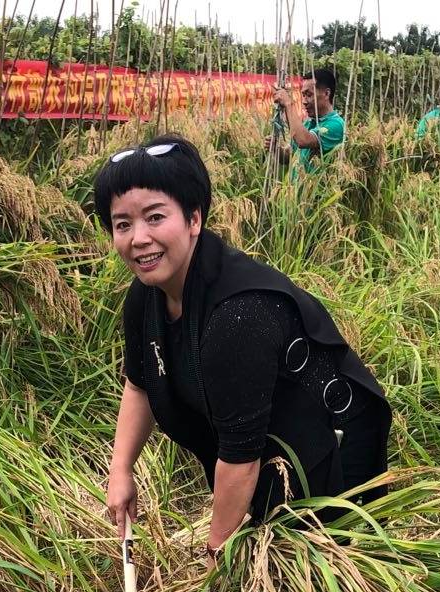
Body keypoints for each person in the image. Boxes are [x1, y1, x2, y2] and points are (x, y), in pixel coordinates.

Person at [95, 136, 392, 562]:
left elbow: (240, 458)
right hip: (263, 454)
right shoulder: (147, 297)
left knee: (308, 583)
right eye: (122, 224)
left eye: (155, 217)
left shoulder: (239, 314)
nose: (137, 238)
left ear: (194, 218)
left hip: (332, 452)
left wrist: (217, 557)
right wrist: (121, 470)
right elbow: (141, 382)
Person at [265, 67, 345, 175]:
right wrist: (276, 148)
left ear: (326, 94)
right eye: (303, 95)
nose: (304, 101)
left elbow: (303, 141)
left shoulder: (336, 125)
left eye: (309, 95)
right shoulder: (308, 123)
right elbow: (288, 156)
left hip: (316, 192)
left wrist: (289, 104)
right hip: (296, 191)